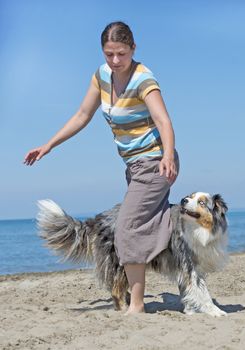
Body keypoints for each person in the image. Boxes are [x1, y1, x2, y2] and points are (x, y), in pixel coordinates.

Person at [24, 21, 179, 315]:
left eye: (121, 53)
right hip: (134, 167)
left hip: (155, 163)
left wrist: (168, 155)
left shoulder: (143, 79)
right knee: (138, 224)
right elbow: (82, 114)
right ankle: (177, 254)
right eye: (109, 54)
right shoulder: (101, 76)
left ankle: (137, 305)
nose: (116, 61)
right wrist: (49, 145)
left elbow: (164, 121)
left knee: (127, 227)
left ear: (133, 48)